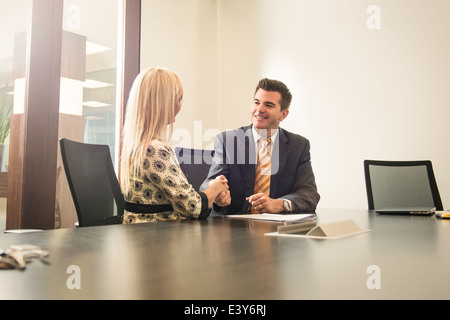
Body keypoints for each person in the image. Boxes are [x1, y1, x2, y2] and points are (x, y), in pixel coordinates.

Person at [120, 67, 229, 223]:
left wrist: (211, 196)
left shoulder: (139, 146)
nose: (180, 106)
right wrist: (217, 186)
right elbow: (193, 207)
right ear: (163, 103)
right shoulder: (154, 149)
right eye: (178, 99)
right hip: (154, 237)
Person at [200, 78, 320, 215]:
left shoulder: (298, 146)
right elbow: (207, 183)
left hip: (277, 229)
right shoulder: (227, 141)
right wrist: (217, 193)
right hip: (233, 226)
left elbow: (309, 194)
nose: (259, 109)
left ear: (283, 114)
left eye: (268, 105)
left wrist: (279, 204)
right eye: (256, 102)